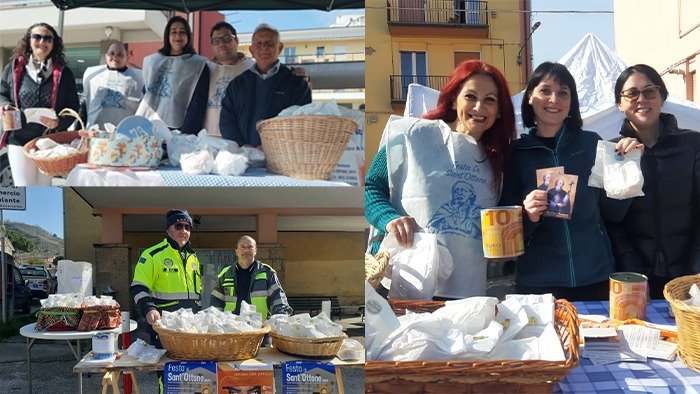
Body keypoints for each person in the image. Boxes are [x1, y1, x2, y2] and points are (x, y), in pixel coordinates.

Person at [365, 60, 516, 299]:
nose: (479, 107)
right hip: (408, 279)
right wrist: (389, 218)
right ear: (455, 98)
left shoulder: (500, 160)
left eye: (490, 100)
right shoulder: (412, 135)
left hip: (467, 291)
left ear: (499, 112)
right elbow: (372, 188)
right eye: (471, 96)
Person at [499, 62, 639, 301]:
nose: (554, 99)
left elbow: (614, 213)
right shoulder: (516, 154)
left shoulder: (591, 144)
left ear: (571, 103)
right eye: (545, 90)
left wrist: (626, 170)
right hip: (537, 283)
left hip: (594, 277)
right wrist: (528, 216)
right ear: (530, 97)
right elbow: (503, 233)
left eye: (563, 93)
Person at [606, 64, 700, 300]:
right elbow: (610, 220)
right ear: (620, 103)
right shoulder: (612, 152)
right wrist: (633, 272)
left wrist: (694, 273)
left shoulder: (692, 145)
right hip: (635, 279)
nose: (641, 99)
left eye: (650, 91)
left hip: (690, 275)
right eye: (631, 94)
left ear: (662, 97)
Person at [0, 22, 79, 186]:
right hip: (19, 138)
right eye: (37, 37)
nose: (42, 42)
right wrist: (5, 105)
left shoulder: (64, 73)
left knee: (43, 188)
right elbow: (2, 93)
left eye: (47, 38)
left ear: (53, 43)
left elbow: (73, 106)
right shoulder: (13, 68)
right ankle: (27, 213)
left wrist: (59, 121)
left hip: (48, 141)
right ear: (29, 40)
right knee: (25, 189)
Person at [205, 22, 310, 138]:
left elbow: (301, 123)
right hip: (243, 153)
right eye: (259, 43)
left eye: (269, 43)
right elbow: (227, 121)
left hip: (282, 153)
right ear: (252, 50)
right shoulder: (237, 83)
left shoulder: (296, 83)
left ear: (280, 48)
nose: (264, 47)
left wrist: (272, 147)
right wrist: (243, 147)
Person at [130, 209, 201, 347]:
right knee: (166, 367)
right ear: (169, 230)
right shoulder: (152, 255)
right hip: (164, 327)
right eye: (178, 226)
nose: (183, 230)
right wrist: (149, 309)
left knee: (190, 368)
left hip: (191, 328)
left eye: (187, 227)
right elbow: (138, 288)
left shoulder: (193, 258)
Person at [136, 16, 209, 135]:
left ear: (188, 36)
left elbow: (198, 102)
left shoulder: (198, 64)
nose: (177, 36)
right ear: (167, 36)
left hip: (180, 127)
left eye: (182, 32)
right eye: (173, 32)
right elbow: (147, 92)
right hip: (150, 123)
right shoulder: (153, 62)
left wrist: (187, 133)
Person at [211, 235, 292, 318]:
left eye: (250, 247)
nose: (246, 250)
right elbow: (216, 303)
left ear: (255, 251)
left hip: (259, 326)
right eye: (242, 246)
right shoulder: (225, 274)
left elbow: (278, 298)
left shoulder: (267, 273)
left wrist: (281, 316)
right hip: (232, 326)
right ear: (236, 251)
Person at [80, 42, 144, 129]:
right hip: (96, 132)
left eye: (120, 54)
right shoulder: (93, 75)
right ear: (106, 56)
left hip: (126, 133)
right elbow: (84, 102)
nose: (115, 57)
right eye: (112, 53)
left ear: (127, 58)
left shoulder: (139, 78)